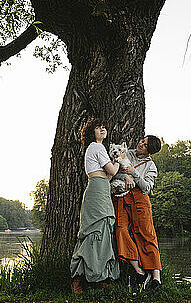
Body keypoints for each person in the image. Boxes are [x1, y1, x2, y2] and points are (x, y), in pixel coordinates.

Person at [70, 118, 129, 294]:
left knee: (103, 230)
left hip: (101, 188)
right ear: (91, 132)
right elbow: (112, 171)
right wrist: (120, 159)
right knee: (94, 231)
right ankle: (78, 279)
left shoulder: (96, 148)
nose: (102, 129)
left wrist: (114, 166)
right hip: (96, 189)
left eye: (104, 127)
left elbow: (108, 177)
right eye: (98, 127)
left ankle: (100, 276)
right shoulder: (96, 146)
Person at [112, 135, 163, 291]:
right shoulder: (126, 153)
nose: (142, 144)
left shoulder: (151, 166)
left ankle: (155, 277)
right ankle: (139, 271)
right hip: (122, 196)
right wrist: (125, 176)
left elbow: (147, 187)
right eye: (142, 140)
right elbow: (113, 172)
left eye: (146, 145)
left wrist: (134, 173)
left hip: (140, 199)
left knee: (146, 234)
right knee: (120, 230)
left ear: (150, 151)